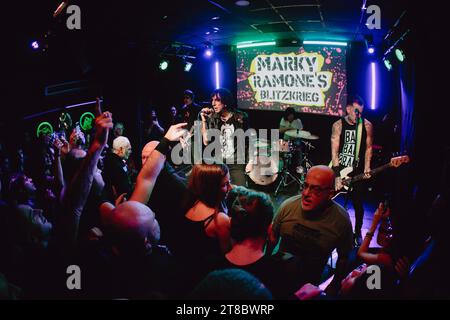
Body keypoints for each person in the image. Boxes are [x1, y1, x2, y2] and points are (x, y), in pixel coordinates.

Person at [271, 165, 353, 295]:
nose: (306, 193)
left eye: (316, 190)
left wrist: (335, 283)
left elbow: (343, 257)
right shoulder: (288, 206)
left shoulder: (341, 221)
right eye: (305, 186)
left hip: (309, 285)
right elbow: (273, 237)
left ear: (330, 194)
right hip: (279, 277)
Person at [331, 95, 373, 246]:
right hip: (341, 170)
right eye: (356, 111)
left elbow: (368, 148)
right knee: (333, 203)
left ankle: (358, 231)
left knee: (358, 205)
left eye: (360, 112)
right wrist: (336, 175)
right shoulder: (338, 125)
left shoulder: (367, 125)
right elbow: (334, 151)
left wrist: (367, 166)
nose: (358, 115)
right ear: (348, 109)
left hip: (358, 172)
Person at [200, 88, 249, 186]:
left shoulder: (240, 117)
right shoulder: (213, 118)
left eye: (217, 100)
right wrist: (204, 121)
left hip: (236, 163)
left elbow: (249, 141)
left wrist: (250, 161)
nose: (213, 103)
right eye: (212, 100)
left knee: (242, 193)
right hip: (219, 163)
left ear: (225, 101)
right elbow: (206, 141)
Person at [102, 136, 133, 201]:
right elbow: (124, 190)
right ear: (121, 149)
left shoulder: (113, 161)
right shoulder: (116, 165)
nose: (130, 152)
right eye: (129, 149)